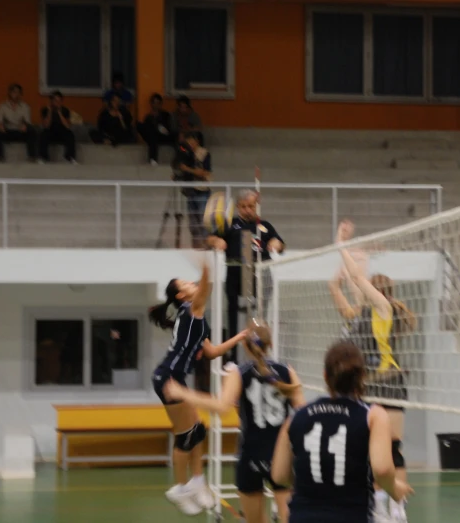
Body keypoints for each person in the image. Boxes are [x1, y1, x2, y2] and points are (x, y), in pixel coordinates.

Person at [165, 319, 305, 523]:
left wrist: (183, 393)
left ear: (245, 346)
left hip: (251, 455)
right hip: (282, 454)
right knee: (290, 517)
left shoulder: (239, 373)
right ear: (271, 344)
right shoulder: (287, 371)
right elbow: (301, 413)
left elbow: (221, 408)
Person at [329, 219, 416, 523]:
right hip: (370, 387)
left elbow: (356, 277)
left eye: (368, 283)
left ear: (379, 290)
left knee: (392, 449)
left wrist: (341, 245)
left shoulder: (383, 308)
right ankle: (380, 504)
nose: (362, 285)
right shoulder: (364, 310)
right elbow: (354, 280)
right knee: (375, 450)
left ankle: (396, 507)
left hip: (389, 383)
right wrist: (354, 255)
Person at [271, 341, 413, 523]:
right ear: (362, 376)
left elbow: (279, 475)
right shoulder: (373, 415)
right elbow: (383, 469)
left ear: (325, 376)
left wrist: (310, 484)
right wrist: (394, 488)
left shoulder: (297, 416)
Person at [149, 259, 250, 516]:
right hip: (168, 377)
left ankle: (196, 481)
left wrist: (240, 336)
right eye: (186, 284)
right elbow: (205, 288)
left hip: (176, 377)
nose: (191, 283)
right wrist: (207, 263)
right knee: (185, 435)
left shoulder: (197, 321)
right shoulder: (192, 309)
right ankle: (180, 488)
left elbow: (212, 352)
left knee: (199, 431)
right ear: (182, 296)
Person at [208, 189, 285, 363]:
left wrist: (276, 243)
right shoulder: (230, 224)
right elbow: (211, 238)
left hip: (259, 273)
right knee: (232, 312)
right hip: (235, 271)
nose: (247, 210)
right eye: (243, 207)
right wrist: (217, 241)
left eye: (251, 206)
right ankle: (233, 357)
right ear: (238, 207)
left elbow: (279, 242)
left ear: (256, 206)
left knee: (260, 315)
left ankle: (260, 353)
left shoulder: (265, 226)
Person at [174, 132, 212, 248]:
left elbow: (205, 173)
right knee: (193, 224)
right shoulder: (186, 153)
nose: (190, 144)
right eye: (188, 141)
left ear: (197, 141)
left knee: (203, 222)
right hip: (190, 191)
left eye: (192, 141)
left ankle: (207, 247)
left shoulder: (204, 154)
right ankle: (196, 248)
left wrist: (187, 169)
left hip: (202, 191)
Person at [0, 83, 37, 161]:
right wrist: (0, 125)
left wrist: (25, 125)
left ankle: (32, 157)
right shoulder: (2, 106)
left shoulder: (25, 106)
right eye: (14, 92)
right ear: (9, 93)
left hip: (20, 131)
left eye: (18, 92)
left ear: (21, 94)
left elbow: (27, 121)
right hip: (7, 131)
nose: (16, 94)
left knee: (32, 130)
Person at [39, 91, 76, 164]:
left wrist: (59, 113)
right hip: (50, 131)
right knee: (43, 135)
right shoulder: (45, 110)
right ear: (51, 101)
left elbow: (67, 126)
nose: (57, 103)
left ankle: (70, 157)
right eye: (55, 100)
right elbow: (46, 125)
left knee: (70, 134)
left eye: (59, 101)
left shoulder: (65, 110)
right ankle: (43, 157)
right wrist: (49, 112)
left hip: (62, 132)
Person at [137, 93, 174, 166]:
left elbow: (167, 130)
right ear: (151, 104)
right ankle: (152, 160)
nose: (156, 105)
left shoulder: (165, 115)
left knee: (154, 134)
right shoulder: (148, 117)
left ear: (161, 104)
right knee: (140, 125)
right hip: (152, 136)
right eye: (154, 103)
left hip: (163, 136)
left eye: (158, 103)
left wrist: (157, 125)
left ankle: (153, 159)